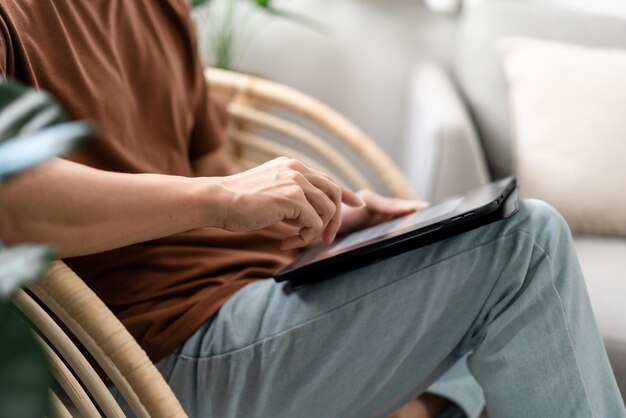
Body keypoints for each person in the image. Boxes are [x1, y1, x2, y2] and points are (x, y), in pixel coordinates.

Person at [0, 1, 623, 417]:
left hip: (259, 300)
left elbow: (205, 162)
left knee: (476, 273)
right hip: (146, 363)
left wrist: (321, 222)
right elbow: (12, 199)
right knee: (525, 248)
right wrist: (226, 198)